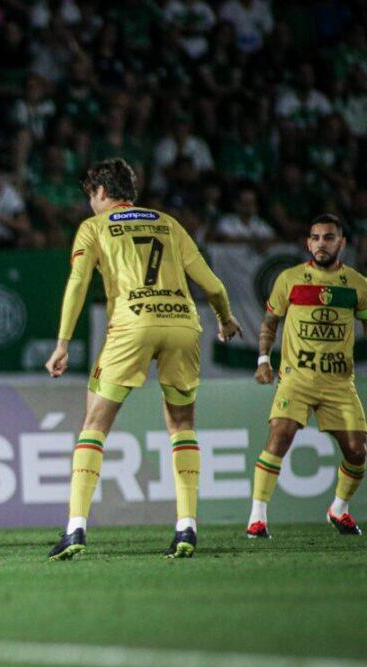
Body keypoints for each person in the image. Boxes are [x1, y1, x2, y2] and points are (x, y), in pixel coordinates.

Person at [45, 158, 241, 560]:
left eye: (90, 197)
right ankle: (186, 527)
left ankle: (75, 529)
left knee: (94, 424)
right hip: (183, 324)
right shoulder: (169, 223)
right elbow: (213, 285)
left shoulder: (95, 227)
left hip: (132, 325)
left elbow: (78, 284)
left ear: (101, 192)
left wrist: (63, 342)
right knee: (183, 424)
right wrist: (225, 318)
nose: (90, 205)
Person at [246, 215, 367, 539]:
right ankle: (257, 518)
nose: (321, 243)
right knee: (279, 437)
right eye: (315, 237)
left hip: (339, 383)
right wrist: (263, 360)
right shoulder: (290, 279)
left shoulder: (357, 284)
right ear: (307, 243)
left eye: (328, 238)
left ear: (341, 243)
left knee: (357, 452)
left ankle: (338, 510)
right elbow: (270, 322)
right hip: (296, 379)